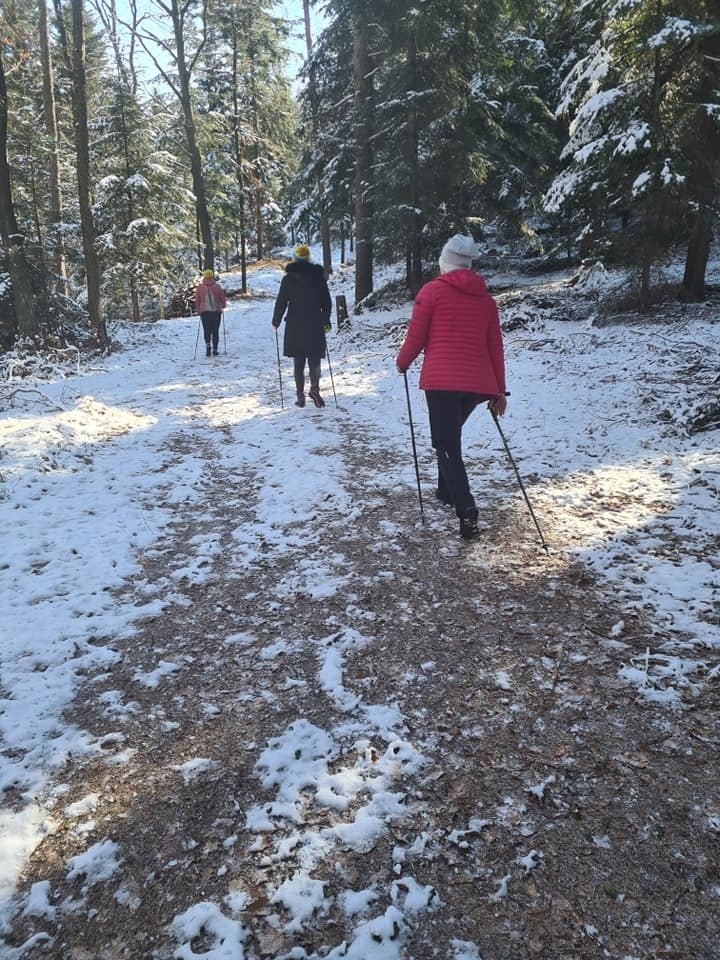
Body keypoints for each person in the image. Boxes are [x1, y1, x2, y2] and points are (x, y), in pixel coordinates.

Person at [396, 234, 507, 540]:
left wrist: (402, 362)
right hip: (477, 385)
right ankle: (446, 492)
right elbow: (495, 347)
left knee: (446, 445)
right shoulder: (486, 301)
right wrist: (499, 390)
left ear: (445, 264)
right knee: (449, 438)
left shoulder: (432, 292)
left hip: (443, 382)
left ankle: (466, 509)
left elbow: (416, 337)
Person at [272, 244, 332, 408]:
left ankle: (300, 396)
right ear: (309, 258)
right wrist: (326, 320)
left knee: (298, 362)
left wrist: (276, 321)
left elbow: (281, 302)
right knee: (314, 360)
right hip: (315, 324)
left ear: (295, 258)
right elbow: (326, 302)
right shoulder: (318, 277)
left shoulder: (288, 279)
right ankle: (314, 389)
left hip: (295, 324)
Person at [195, 269, 227, 357]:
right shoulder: (217, 286)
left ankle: (208, 346)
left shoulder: (200, 287)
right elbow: (222, 299)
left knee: (207, 330)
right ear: (212, 276)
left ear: (204, 276)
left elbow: (197, 300)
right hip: (216, 311)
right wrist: (222, 306)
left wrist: (199, 310)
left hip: (205, 312)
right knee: (215, 331)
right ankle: (215, 349)